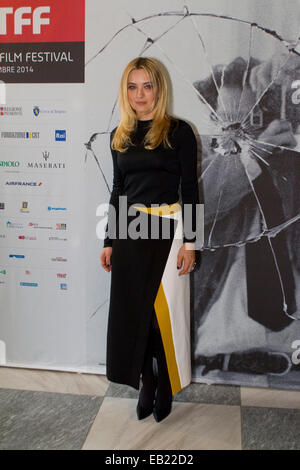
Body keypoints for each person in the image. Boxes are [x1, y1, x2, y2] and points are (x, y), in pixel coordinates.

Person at [99, 57, 201, 422]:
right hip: (129, 232)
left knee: (160, 317)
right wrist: (109, 240)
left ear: (159, 88)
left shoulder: (180, 132)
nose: (139, 94)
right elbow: (118, 190)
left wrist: (191, 242)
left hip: (167, 232)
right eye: (132, 86)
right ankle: (146, 381)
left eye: (146, 86)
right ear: (125, 91)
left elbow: (190, 189)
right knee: (132, 314)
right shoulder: (120, 136)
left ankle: (163, 384)